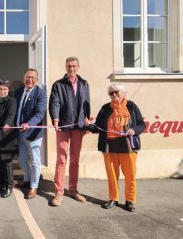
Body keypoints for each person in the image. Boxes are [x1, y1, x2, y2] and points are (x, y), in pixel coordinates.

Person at [85, 82, 145, 212]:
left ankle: (130, 200)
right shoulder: (105, 108)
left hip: (128, 146)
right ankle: (113, 198)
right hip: (109, 146)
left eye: (116, 92)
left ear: (123, 92)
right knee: (112, 175)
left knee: (130, 175)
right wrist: (88, 125)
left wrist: (134, 130)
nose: (114, 95)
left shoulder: (132, 106)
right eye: (111, 93)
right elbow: (98, 127)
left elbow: (141, 125)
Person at [49, 57, 90, 206]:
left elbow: (86, 104)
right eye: (69, 66)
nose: (71, 68)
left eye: (74, 66)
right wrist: (55, 118)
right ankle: (59, 192)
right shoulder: (58, 85)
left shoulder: (84, 84)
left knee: (75, 160)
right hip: (63, 126)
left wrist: (86, 122)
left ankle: (73, 190)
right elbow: (55, 102)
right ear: (65, 67)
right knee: (61, 160)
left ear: (78, 67)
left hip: (78, 126)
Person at [15, 69, 47, 199]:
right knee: (21, 159)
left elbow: (40, 113)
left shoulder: (41, 94)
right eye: (28, 77)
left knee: (35, 160)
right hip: (19, 132)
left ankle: (34, 186)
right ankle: (27, 179)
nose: (30, 80)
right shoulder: (18, 92)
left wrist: (29, 123)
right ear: (24, 78)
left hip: (33, 132)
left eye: (33, 78)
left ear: (37, 80)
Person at [0, 80, 17, 198]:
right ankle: (1, 184)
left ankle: (9, 186)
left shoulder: (11, 101)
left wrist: (8, 123)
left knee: (7, 162)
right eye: (0, 89)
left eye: (4, 89)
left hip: (6, 136)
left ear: (8, 89)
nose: (2, 91)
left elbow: (11, 114)